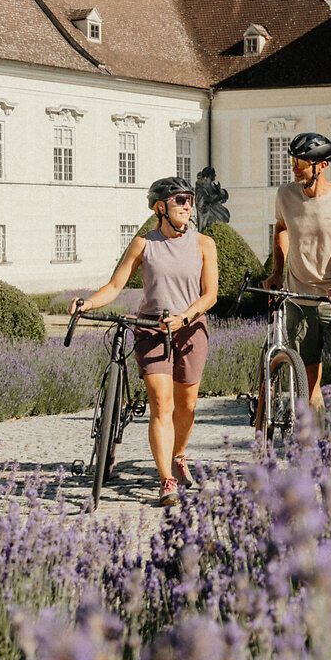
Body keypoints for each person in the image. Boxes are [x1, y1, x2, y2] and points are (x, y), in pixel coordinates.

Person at [70, 177, 219, 506]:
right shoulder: (143, 244)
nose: (187, 206)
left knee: (188, 405)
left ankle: (179, 455)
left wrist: (185, 316)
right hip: (151, 329)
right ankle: (166, 479)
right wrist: (88, 303)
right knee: (161, 405)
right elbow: (115, 286)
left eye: (190, 200)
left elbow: (210, 295)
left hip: (191, 329)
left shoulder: (204, 244)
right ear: (160, 207)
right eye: (180, 200)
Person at [264, 132, 331, 431]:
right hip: (299, 298)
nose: (295, 168)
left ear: (321, 165)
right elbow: (281, 228)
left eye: (302, 162)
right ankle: (316, 440)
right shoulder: (285, 195)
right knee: (308, 376)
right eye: (293, 161)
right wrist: (276, 272)